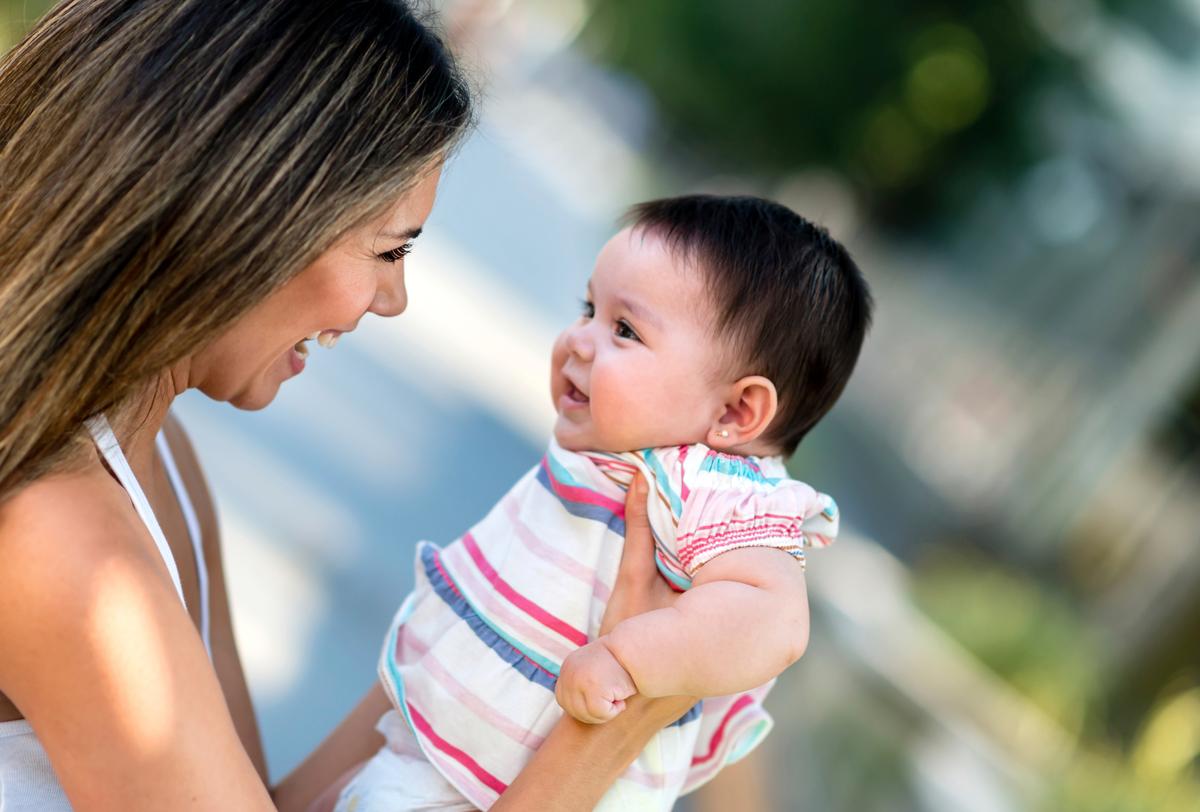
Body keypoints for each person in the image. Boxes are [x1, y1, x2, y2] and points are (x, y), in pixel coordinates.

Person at [0, 2, 694, 809]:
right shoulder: (74, 551)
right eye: (389, 250)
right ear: (253, 211)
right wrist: (615, 718)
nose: (393, 298)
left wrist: (475, 618)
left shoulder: (164, 466)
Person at [324, 195, 873, 811]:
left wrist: (629, 659)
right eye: (588, 309)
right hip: (432, 755)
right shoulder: (620, 453)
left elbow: (774, 621)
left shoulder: (719, 487)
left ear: (736, 411)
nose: (579, 341)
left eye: (624, 330)